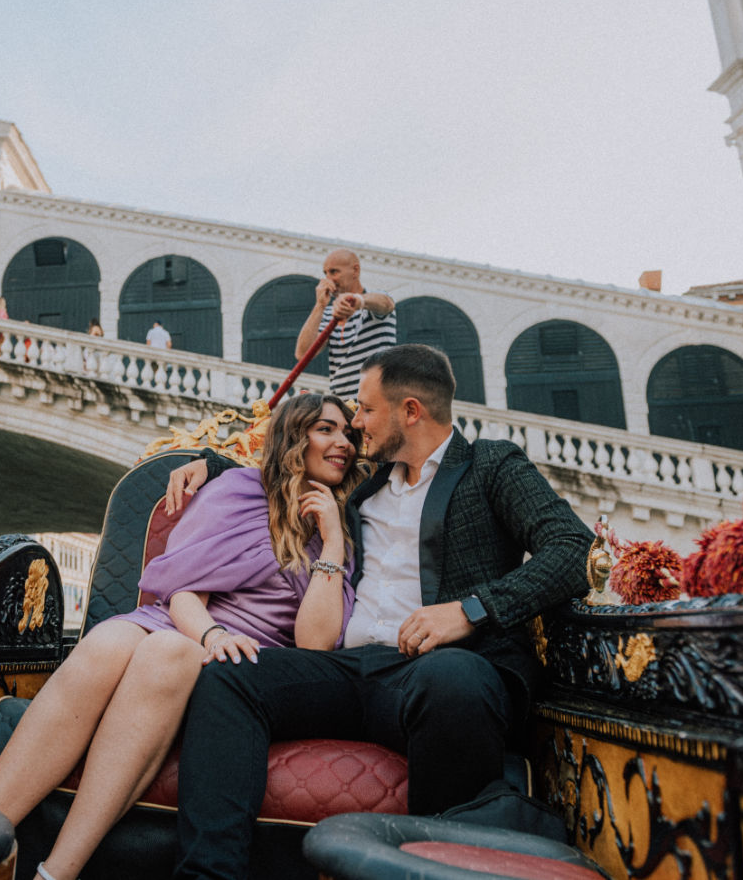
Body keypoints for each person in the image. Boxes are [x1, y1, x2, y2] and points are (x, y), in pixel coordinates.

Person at [165, 344, 592, 879]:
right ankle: (208, 874)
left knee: (452, 675)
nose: (354, 424)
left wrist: (470, 611)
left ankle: (429, 868)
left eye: (365, 410)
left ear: (410, 410)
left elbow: (573, 549)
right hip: (348, 669)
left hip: (438, 671)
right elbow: (288, 461)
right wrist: (207, 463)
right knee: (230, 677)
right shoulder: (364, 484)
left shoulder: (491, 465)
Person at [0, 393, 366, 880]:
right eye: (326, 429)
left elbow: (314, 644)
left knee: (165, 652)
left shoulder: (344, 527)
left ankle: (57, 872)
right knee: (106, 642)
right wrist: (212, 634)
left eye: (349, 433)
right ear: (293, 436)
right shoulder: (238, 490)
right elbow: (183, 591)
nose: (343, 442)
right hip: (191, 622)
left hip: (248, 663)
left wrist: (329, 539)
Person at [296, 248, 397, 399]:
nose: (329, 280)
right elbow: (302, 354)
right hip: (344, 405)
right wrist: (320, 306)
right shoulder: (329, 314)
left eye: (334, 272)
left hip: (377, 400)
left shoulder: (373, 302)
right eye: (326, 273)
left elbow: (386, 304)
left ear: (355, 270)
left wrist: (358, 301)